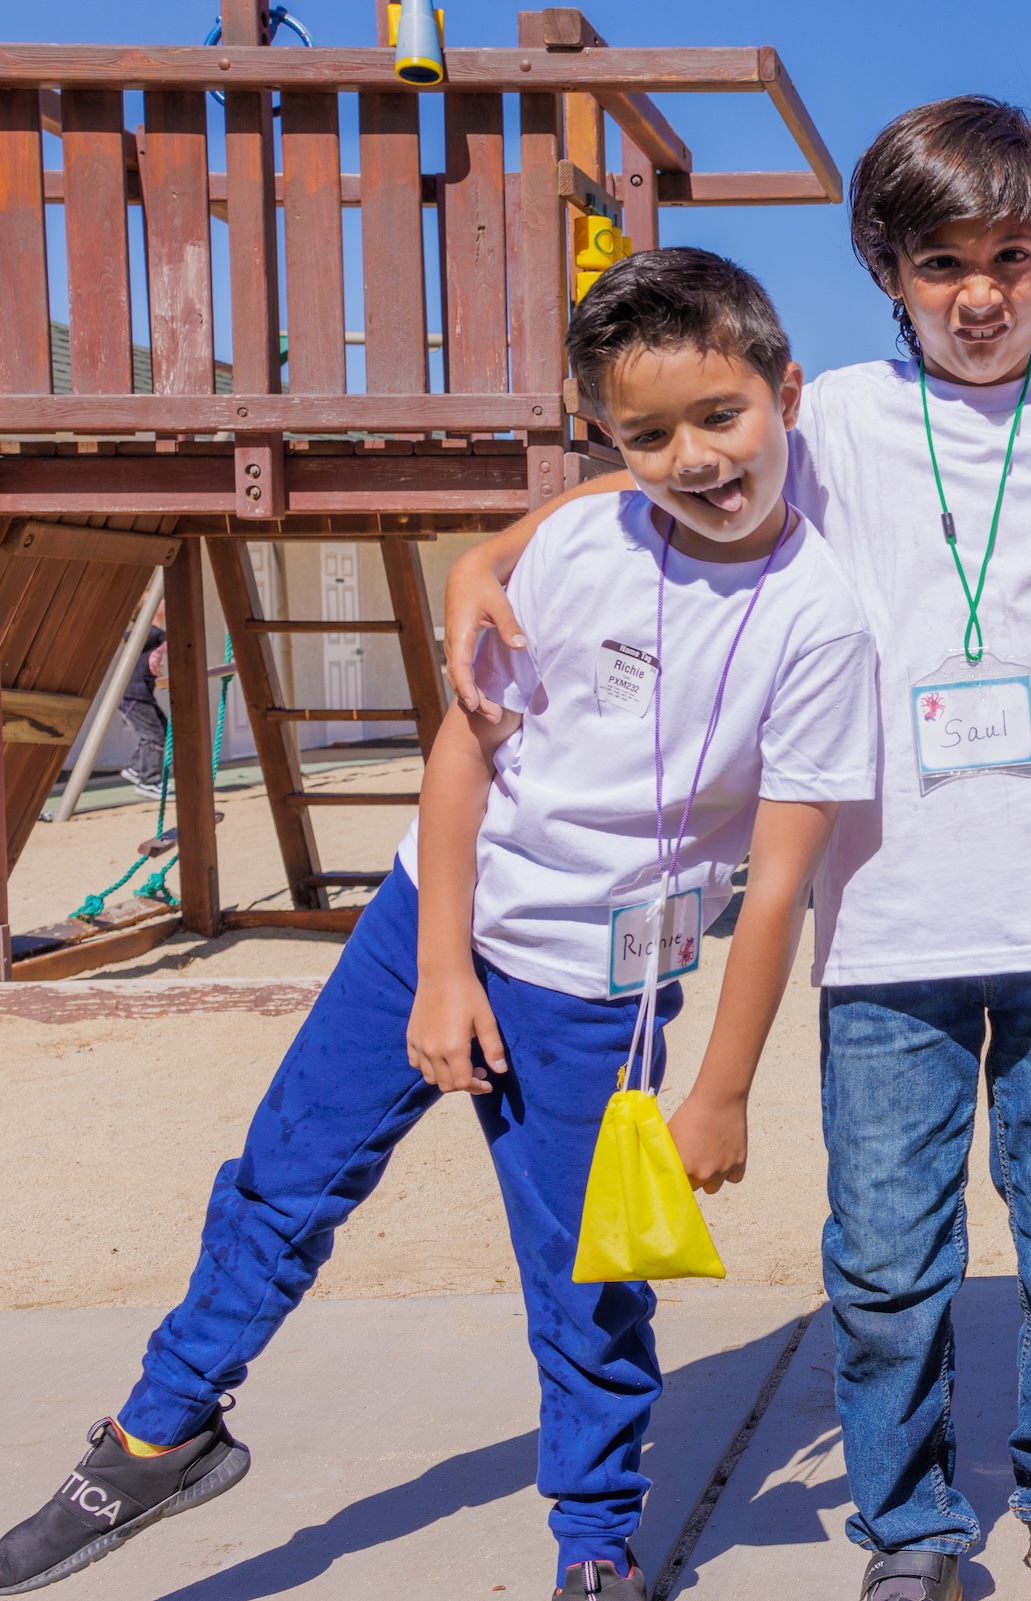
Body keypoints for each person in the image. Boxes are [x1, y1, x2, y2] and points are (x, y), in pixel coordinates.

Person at [0, 248, 879, 1601]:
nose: (695, 456)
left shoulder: (820, 621)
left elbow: (779, 880)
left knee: (585, 1284)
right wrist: (440, 965)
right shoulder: (584, 540)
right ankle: (158, 1434)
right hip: (433, 915)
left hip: (603, 990)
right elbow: (465, 752)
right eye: (647, 434)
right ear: (607, 440)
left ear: (787, 396)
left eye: (721, 417)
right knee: (281, 1183)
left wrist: (721, 1090)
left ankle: (594, 1539)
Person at [442, 100, 1031, 1601]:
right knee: (890, 1267)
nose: (982, 294)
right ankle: (907, 1530)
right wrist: (485, 552)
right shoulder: (829, 411)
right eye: (942, 263)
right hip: (889, 932)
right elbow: (653, 470)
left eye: (1015, 258)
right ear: (887, 271)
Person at [117, 603, 167, 799]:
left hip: (143, 694)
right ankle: (149, 780)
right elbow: (122, 638)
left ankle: (137, 768)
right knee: (155, 736)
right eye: (161, 600)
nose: (165, 601)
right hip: (133, 695)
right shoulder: (148, 632)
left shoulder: (156, 633)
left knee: (163, 729)